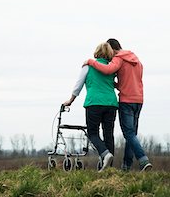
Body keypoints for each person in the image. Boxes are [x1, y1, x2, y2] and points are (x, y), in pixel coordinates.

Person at [83, 38, 152, 172]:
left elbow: (108, 70)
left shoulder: (119, 58)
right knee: (132, 135)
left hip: (126, 100)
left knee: (129, 134)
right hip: (139, 100)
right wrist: (113, 84)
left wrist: (91, 61)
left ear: (113, 49)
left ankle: (143, 160)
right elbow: (131, 81)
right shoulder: (136, 60)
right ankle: (126, 166)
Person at [63, 42, 118, 172]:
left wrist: (70, 100)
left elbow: (78, 85)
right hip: (111, 104)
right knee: (108, 134)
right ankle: (108, 169)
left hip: (94, 103)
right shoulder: (112, 68)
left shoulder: (88, 67)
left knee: (93, 133)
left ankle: (105, 154)